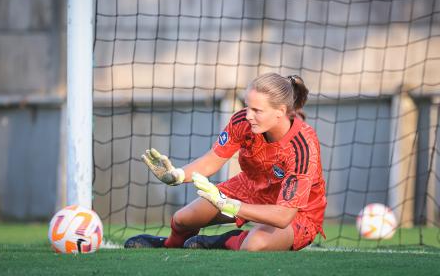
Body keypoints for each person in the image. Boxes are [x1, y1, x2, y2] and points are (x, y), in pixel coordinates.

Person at [124, 73, 327, 251]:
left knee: (255, 244)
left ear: (280, 111)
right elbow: (213, 160)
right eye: (247, 106)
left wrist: (230, 205)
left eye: (257, 110)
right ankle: (170, 245)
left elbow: (283, 215)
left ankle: (225, 240)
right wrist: (177, 175)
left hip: (297, 212)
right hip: (250, 189)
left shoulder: (302, 147)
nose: (248, 115)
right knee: (182, 219)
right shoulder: (242, 121)